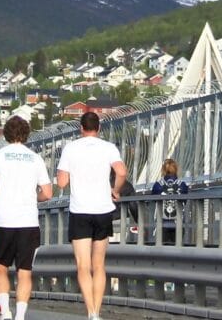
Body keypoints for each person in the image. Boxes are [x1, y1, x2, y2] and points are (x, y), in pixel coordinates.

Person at [56, 112, 127, 320]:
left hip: (80, 211)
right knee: (99, 265)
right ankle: (98, 310)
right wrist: (115, 190)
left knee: (83, 266)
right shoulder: (108, 148)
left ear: (80, 128)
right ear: (98, 128)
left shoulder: (71, 148)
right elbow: (121, 171)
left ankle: (91, 312)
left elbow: (61, 182)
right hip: (103, 209)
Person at [0, 117, 52, 320]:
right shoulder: (35, 158)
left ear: (6, 134)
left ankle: (5, 312)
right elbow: (48, 193)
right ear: (26, 134)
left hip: (3, 220)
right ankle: (21, 315)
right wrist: (34, 198)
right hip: (28, 221)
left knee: (0, 267)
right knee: (25, 271)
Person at [151, 159, 190, 245]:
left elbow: (154, 199)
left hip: (162, 223)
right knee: (176, 250)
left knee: (161, 251)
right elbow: (184, 201)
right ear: (176, 169)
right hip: (178, 223)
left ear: (163, 170)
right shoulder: (182, 185)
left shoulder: (157, 185)